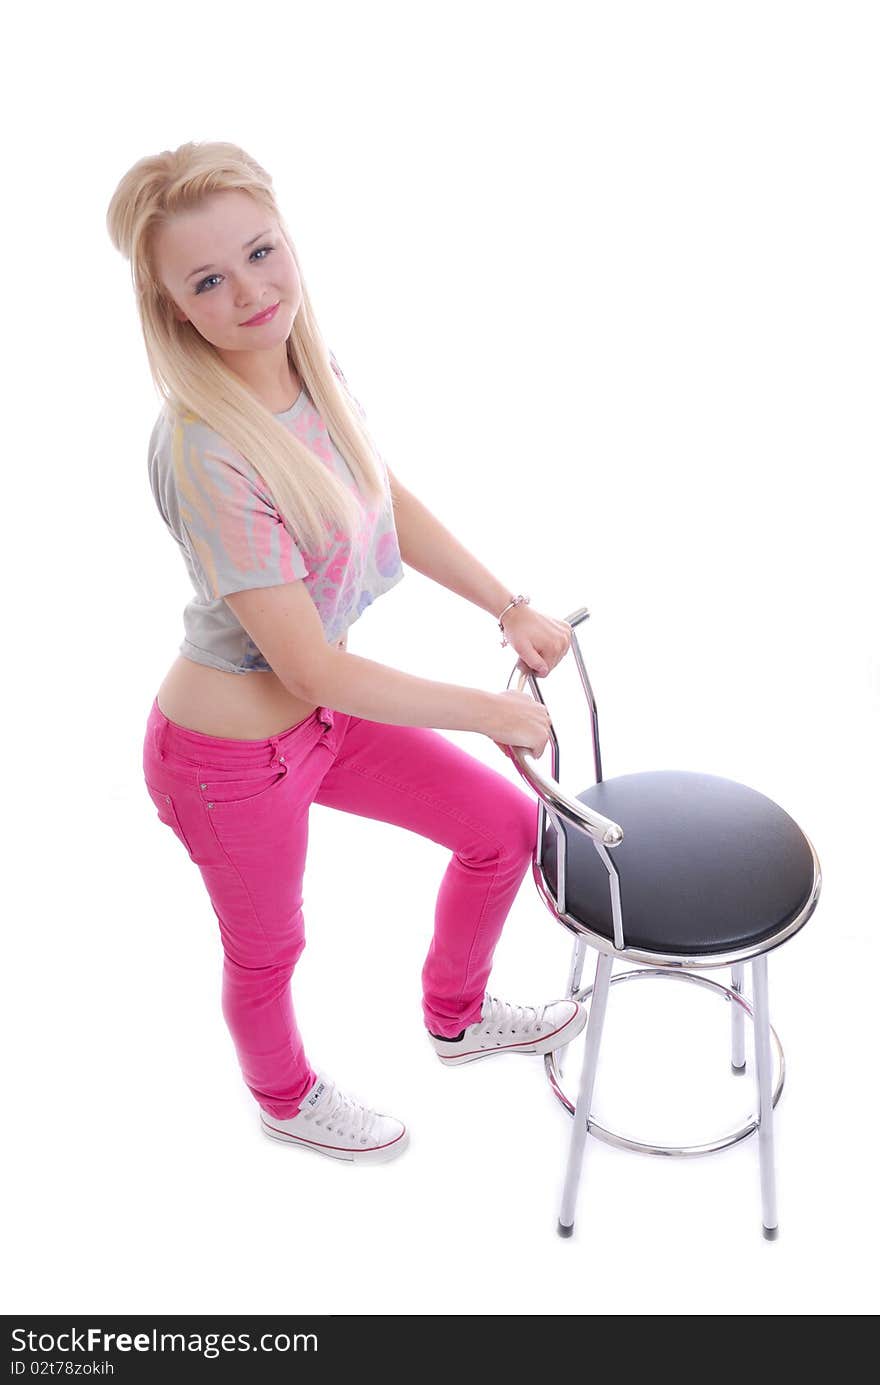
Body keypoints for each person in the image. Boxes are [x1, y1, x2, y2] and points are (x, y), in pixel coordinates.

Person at [106, 139, 587, 1165]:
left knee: (501, 827)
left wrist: (507, 603)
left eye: (260, 252)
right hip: (228, 754)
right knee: (270, 946)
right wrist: (492, 708)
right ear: (174, 308)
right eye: (207, 280)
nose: (248, 290)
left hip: (321, 719)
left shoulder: (309, 366)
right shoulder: (205, 447)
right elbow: (309, 669)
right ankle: (284, 1096)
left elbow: (383, 493)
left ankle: (455, 1016)